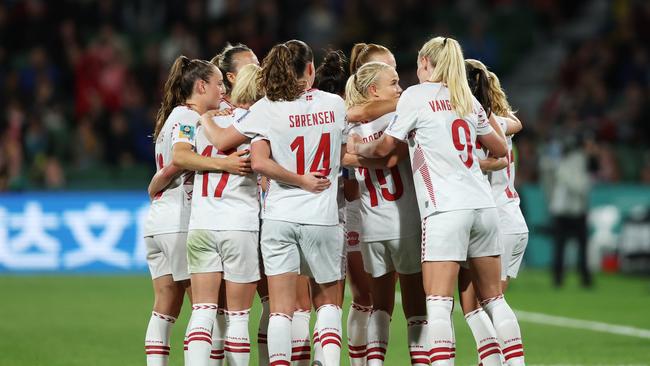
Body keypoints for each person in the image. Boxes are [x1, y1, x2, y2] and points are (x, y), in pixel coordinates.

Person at [346, 36, 525, 366]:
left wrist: (360, 148)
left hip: (444, 209)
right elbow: (500, 148)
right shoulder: (465, 98)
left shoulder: (416, 96)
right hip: (484, 208)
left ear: (426, 64)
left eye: (417, 64)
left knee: (439, 302)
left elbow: (385, 149)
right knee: (495, 299)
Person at [198, 40, 346, 366]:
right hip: (322, 216)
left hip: (279, 217)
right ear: (310, 69)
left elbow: (227, 144)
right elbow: (348, 144)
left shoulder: (265, 108)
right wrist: (310, 179)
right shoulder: (335, 104)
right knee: (328, 304)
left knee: (280, 308)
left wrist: (206, 116)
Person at [143, 55, 249, 366]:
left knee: (165, 306)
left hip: (159, 221)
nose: (222, 90)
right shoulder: (187, 118)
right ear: (201, 86)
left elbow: (169, 166)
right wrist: (225, 163)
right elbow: (181, 157)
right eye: (218, 84)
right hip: (179, 221)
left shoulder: (173, 118)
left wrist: (155, 183)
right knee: (208, 309)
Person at [345, 61, 428, 366]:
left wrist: (356, 154)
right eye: (393, 83)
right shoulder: (399, 117)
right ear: (373, 90)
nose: (400, 89)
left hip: (371, 226)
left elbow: (341, 155)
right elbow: (393, 157)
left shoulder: (349, 126)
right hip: (406, 222)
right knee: (416, 308)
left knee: (379, 306)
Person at [457, 59, 527, 366]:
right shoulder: (500, 121)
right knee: (484, 302)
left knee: (481, 304)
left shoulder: (468, 123)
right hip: (513, 218)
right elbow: (513, 123)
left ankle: (503, 361)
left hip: (491, 219)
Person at [313, 49, 373, 366]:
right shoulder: (345, 124)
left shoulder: (295, 117)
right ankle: (336, 359)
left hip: (286, 217)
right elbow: (350, 189)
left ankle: (317, 356)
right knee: (347, 298)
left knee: (292, 305)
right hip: (338, 218)